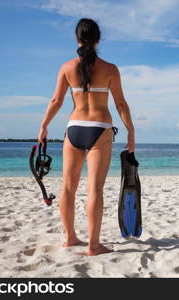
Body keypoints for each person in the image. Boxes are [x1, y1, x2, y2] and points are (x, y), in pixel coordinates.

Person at [38, 18, 135, 256]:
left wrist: (43, 126)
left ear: (76, 38)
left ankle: (70, 238)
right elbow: (120, 103)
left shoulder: (66, 67)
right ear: (98, 39)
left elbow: (56, 101)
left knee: (68, 188)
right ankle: (93, 245)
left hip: (74, 128)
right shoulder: (110, 69)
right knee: (94, 190)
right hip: (99, 128)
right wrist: (131, 130)